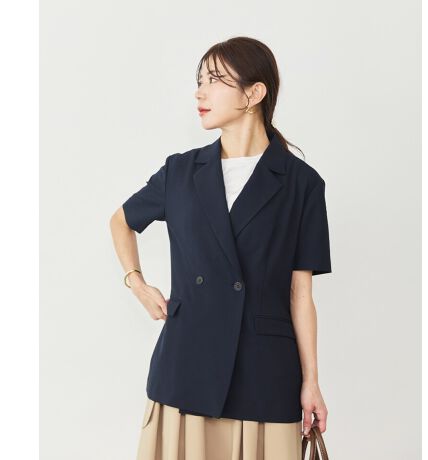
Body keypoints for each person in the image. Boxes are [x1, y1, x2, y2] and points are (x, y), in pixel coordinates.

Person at [110, 36, 332, 460]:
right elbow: (121, 221)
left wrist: (311, 381)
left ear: (254, 93)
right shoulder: (180, 171)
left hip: (263, 371)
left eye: (214, 80)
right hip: (186, 363)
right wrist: (136, 282)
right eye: (199, 81)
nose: (200, 92)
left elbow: (300, 293)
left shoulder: (301, 183)